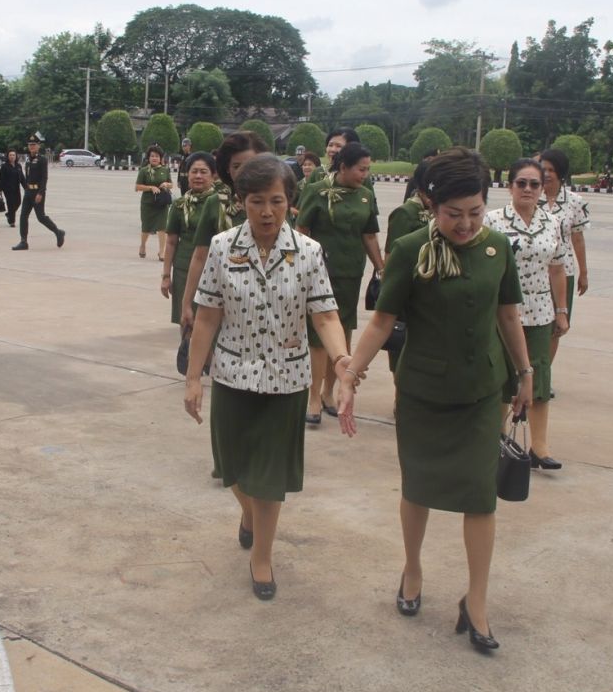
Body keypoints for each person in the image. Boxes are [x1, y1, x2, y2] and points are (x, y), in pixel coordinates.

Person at [337, 148, 533, 652]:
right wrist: (351, 375)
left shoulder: (498, 249)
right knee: (418, 488)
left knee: (480, 497)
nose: (466, 224)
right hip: (423, 391)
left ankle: (478, 600)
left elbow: (508, 315)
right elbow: (382, 320)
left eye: (475, 211)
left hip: (479, 393)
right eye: (453, 214)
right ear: (430, 204)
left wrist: (525, 373)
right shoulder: (408, 250)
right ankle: (413, 569)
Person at [183, 154, 353, 601]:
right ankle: (249, 514)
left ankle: (262, 555)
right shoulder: (223, 247)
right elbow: (206, 318)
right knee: (231, 467)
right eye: (256, 201)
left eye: (276, 201)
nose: (266, 212)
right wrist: (194, 378)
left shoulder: (309, 253)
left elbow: (326, 316)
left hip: (287, 379)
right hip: (233, 373)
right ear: (241, 202)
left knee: (271, 475)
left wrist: (340, 359)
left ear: (290, 203)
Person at [484, 159, 568, 469]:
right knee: (503, 376)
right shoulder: (493, 220)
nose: (529, 190)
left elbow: (558, 269)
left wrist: (561, 310)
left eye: (535, 184)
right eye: (522, 183)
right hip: (503, 311)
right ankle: (498, 438)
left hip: (540, 311)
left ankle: (540, 446)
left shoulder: (553, 222)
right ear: (510, 186)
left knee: (539, 376)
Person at [295, 142, 384, 425]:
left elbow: (369, 236)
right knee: (318, 338)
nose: (365, 174)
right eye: (361, 169)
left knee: (343, 333)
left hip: (350, 274)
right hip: (319, 272)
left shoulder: (366, 196)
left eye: (368, 169)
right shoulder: (316, 190)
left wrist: (381, 269)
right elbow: (302, 230)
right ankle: (312, 398)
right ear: (343, 167)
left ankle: (329, 392)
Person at [178, 132, 269, 332]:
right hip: (222, 299)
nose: (245, 172)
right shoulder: (214, 203)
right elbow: (200, 256)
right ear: (227, 169)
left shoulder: (275, 205)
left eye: (251, 164)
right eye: (236, 166)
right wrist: (186, 304)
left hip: (268, 302)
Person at [380, 158, 434, 372]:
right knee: (403, 355)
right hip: (409, 292)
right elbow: (392, 258)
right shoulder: (406, 213)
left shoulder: (440, 212)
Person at [537, 148, 589, 366]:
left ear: (561, 173)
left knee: (556, 326)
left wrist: (583, 272)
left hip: (563, 271)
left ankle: (544, 373)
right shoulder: (531, 195)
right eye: (543, 169)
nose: (547, 174)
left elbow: (577, 239)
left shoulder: (575, 202)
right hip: (535, 269)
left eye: (551, 169)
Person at [161, 151, 216, 329]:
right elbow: (170, 242)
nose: (198, 176)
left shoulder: (221, 204)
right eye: (194, 171)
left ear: (213, 176)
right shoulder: (179, 205)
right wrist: (166, 275)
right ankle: (187, 356)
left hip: (214, 272)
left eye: (203, 171)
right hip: (184, 272)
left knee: (212, 324)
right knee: (187, 323)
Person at [12, 133, 66, 251]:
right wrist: (26, 188)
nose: (31, 147)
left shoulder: (42, 160)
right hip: (28, 191)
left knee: (40, 217)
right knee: (23, 216)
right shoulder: (27, 159)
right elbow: (27, 176)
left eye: (34, 145)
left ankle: (58, 232)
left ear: (38, 146)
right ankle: (23, 241)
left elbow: (44, 178)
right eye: (30, 145)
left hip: (37, 192)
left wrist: (41, 193)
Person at [135, 145, 173, 260]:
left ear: (160, 158)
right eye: (152, 156)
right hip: (148, 203)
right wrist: (151, 187)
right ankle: (142, 245)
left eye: (156, 156)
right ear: (149, 158)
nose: (154, 158)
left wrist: (166, 185)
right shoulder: (144, 171)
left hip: (162, 203)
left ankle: (162, 252)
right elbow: (137, 187)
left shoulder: (165, 170)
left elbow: (171, 184)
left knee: (162, 228)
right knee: (146, 227)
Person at [0, 149, 22, 228]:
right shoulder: (4, 166)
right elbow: (1, 178)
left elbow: (22, 177)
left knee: (18, 202)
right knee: (11, 204)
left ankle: (9, 214)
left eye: (13, 155)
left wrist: (26, 187)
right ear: (8, 156)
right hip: (7, 189)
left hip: (16, 188)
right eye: (10, 155)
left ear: (16, 156)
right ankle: (12, 221)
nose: (12, 157)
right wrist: (0, 190)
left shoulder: (18, 166)